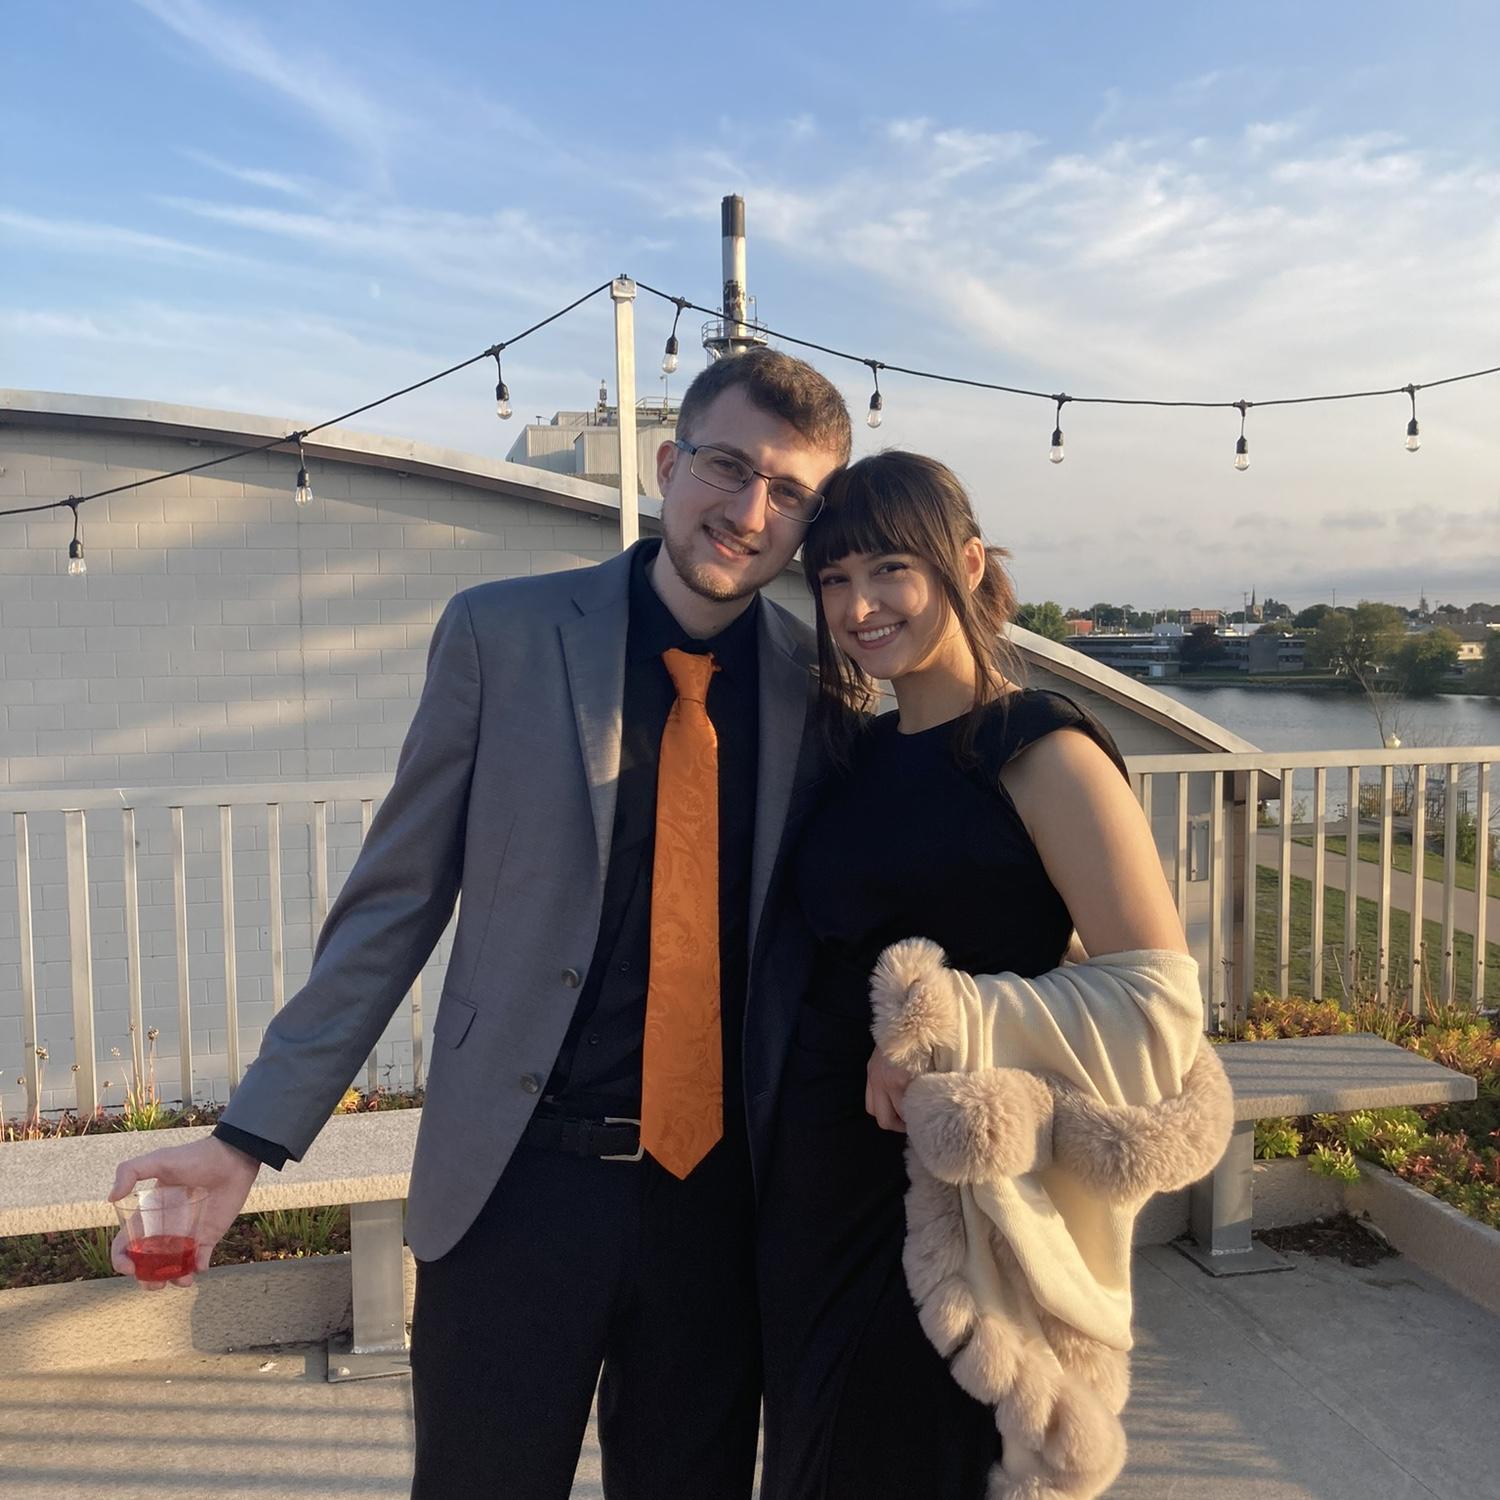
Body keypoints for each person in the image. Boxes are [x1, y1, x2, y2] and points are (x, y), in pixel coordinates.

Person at [107, 347, 852, 1500]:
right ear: (668, 466)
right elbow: (393, 904)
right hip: (517, 1184)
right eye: (728, 467)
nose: (751, 512)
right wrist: (248, 1135)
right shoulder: (500, 634)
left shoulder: (826, 687)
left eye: (790, 492)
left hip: (720, 1203)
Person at [757, 451, 1217, 1500]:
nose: (859, 607)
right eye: (833, 578)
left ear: (966, 564)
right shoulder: (858, 752)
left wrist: (946, 1021)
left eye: (890, 569)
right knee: (814, 1457)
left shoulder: (1043, 751)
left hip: (958, 1201)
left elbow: (1159, 1004)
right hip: (817, 1184)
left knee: (920, 1460)